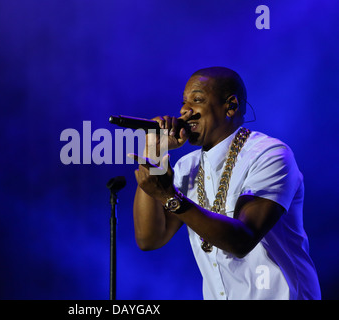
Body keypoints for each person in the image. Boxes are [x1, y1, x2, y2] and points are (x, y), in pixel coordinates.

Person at [128, 66, 321, 300]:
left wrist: (171, 197)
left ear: (231, 106)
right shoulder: (187, 167)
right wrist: (154, 152)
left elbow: (241, 240)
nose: (184, 110)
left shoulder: (270, 155)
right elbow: (149, 239)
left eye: (197, 99)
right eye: (183, 102)